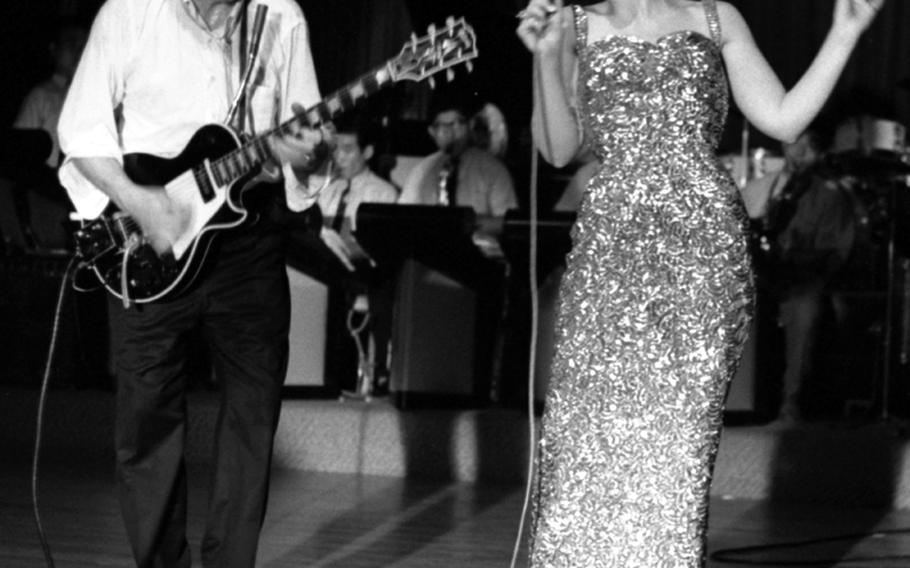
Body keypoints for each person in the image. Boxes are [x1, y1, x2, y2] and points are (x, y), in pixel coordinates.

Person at [516, 0, 882, 565]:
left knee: (675, 449)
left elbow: (782, 119)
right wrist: (545, 58)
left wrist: (844, 33)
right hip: (611, 249)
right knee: (587, 436)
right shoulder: (572, 24)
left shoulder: (715, 17)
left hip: (702, 250)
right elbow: (559, 148)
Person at [56, 0, 327, 566]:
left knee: (252, 419)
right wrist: (137, 201)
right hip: (148, 239)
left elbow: (308, 137)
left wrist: (308, 154)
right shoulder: (128, 13)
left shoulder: (281, 15)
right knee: (146, 420)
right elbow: (81, 132)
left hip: (247, 240)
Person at [743, 128, 858, 422]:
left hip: (805, 280)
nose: (800, 151)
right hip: (766, 279)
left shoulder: (830, 193)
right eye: (795, 143)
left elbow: (834, 255)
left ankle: (790, 406)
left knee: (804, 308)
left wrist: (793, 271)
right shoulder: (763, 188)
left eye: (809, 144)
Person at [398, 90, 518, 218]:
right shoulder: (421, 171)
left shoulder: (493, 170)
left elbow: (506, 221)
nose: (450, 132)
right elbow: (404, 217)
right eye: (441, 126)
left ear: (470, 125)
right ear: (431, 132)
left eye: (457, 124)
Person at [13, 17, 88, 169]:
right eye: (71, 43)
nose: (77, 53)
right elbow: (19, 150)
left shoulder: (88, 99)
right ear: (54, 49)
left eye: (82, 47)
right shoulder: (42, 95)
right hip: (42, 182)